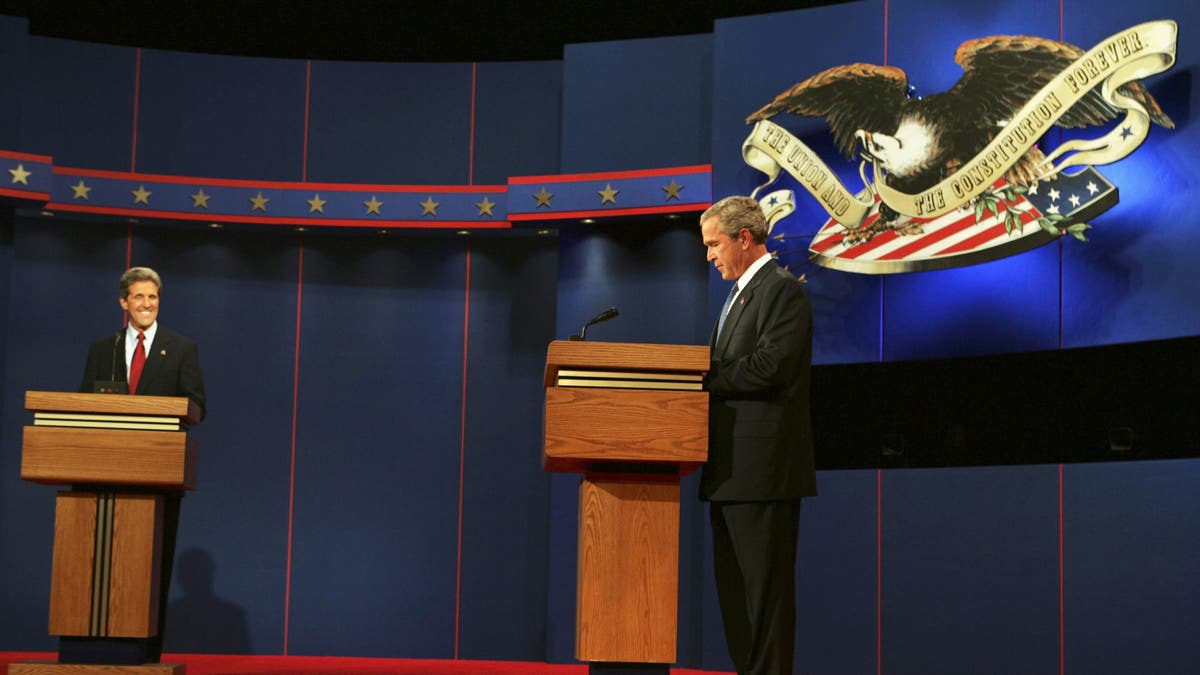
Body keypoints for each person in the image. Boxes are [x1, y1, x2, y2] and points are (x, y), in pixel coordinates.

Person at [65, 266, 206, 665]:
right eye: (139, 297)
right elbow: (84, 407)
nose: (147, 305)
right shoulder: (102, 349)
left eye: (153, 297)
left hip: (157, 478)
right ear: (123, 303)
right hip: (101, 476)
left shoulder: (181, 348)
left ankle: (145, 658)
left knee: (149, 572)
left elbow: (198, 406)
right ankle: (90, 654)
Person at [699, 196, 815, 674]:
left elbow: (771, 366)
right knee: (737, 603)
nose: (709, 255)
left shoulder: (783, 291)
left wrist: (703, 377)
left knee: (765, 603)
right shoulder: (738, 294)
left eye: (714, 244)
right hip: (728, 474)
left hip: (763, 475)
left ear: (744, 238)